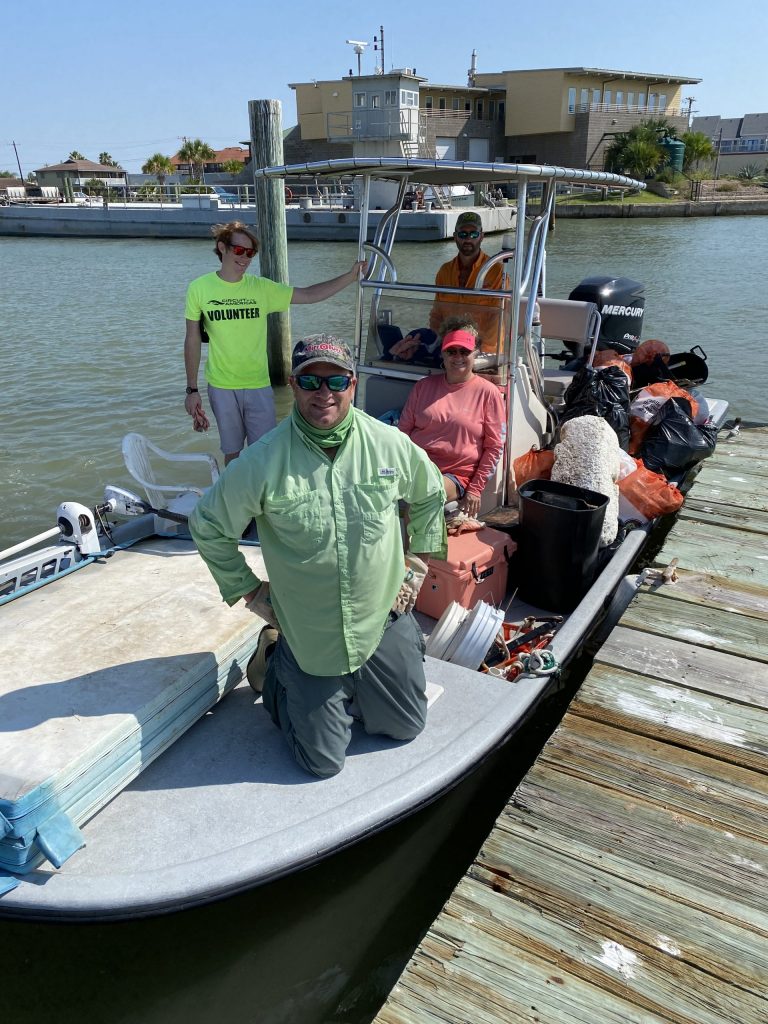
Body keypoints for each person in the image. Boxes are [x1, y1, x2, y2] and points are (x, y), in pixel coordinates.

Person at [189, 334, 447, 779]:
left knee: (406, 726)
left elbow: (429, 494)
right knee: (322, 763)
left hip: (381, 616)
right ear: (293, 385)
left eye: (336, 381)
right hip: (308, 634)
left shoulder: (389, 445)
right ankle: (275, 663)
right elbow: (208, 526)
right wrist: (249, 592)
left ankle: (356, 684)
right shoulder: (261, 460)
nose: (323, 393)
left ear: (353, 384)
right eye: (310, 381)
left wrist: (417, 567)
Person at [184, 221, 366, 464]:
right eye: (239, 251)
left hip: (258, 384)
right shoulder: (199, 289)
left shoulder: (261, 289)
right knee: (232, 452)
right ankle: (236, 499)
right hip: (221, 386)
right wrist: (192, 390)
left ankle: (264, 500)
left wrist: (350, 277)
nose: (245, 258)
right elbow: (192, 339)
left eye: (250, 253)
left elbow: (309, 294)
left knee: (266, 451)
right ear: (222, 248)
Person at [398, 326, 506, 518]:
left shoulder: (489, 393)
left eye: (464, 352)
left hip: (455, 475)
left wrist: (475, 489)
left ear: (475, 354)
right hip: (415, 467)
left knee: (423, 495)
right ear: (443, 354)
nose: (458, 357)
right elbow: (401, 434)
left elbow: (495, 447)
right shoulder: (423, 386)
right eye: (452, 351)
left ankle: (408, 549)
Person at [429, 210, 504, 352]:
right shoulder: (444, 271)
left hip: (484, 352)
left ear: (482, 236)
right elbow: (436, 315)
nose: (468, 239)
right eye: (463, 234)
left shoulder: (496, 271)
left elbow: (498, 318)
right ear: (455, 237)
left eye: (473, 234)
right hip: (450, 351)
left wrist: (482, 353)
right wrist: (435, 345)